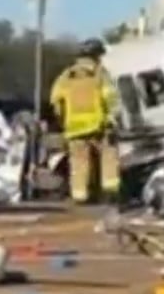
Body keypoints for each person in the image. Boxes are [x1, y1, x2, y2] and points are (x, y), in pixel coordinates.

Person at [49, 38, 119, 205]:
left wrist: (63, 120)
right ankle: (110, 193)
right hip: (98, 126)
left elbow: (55, 100)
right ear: (96, 56)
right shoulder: (100, 74)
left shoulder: (66, 76)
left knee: (79, 162)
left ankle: (80, 196)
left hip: (74, 128)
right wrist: (112, 119)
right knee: (109, 155)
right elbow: (110, 98)